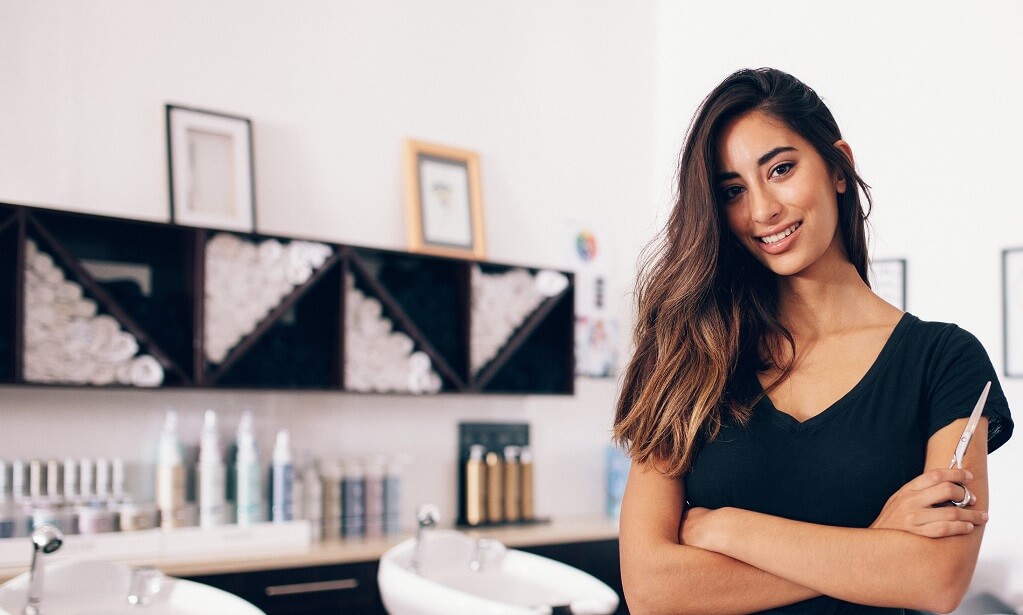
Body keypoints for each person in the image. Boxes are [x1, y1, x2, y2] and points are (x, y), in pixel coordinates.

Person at [613, 67, 1014, 615]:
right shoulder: (688, 353)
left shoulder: (946, 362)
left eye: (780, 169)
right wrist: (873, 541)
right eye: (733, 191)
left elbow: (935, 580)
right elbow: (651, 589)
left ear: (838, 166)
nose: (762, 210)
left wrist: (729, 528)